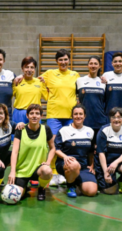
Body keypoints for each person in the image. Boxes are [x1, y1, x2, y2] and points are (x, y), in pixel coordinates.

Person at [41, 49, 81, 186]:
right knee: (53, 143)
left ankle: (64, 171)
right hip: (54, 115)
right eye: (60, 60)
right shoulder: (49, 73)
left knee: (67, 145)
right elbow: (37, 82)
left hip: (70, 116)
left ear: (69, 60)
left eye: (65, 59)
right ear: (56, 61)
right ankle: (53, 172)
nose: (63, 62)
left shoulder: (75, 75)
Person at [8, 104, 55, 201]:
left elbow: (53, 148)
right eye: (31, 113)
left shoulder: (46, 129)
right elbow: (15, 152)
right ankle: (24, 187)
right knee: (16, 196)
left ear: (41, 116)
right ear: (27, 116)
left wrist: (48, 162)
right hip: (22, 170)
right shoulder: (21, 130)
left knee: (47, 171)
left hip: (38, 169)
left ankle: (41, 188)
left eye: (37, 113)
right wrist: (12, 171)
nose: (34, 116)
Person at [55, 105, 97, 198]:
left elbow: (91, 151)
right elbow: (56, 149)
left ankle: (77, 180)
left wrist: (92, 165)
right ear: (72, 116)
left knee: (91, 191)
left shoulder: (90, 131)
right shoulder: (64, 130)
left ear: (85, 116)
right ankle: (71, 186)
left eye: (81, 114)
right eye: (76, 114)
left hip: (83, 165)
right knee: (74, 165)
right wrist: (65, 157)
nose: (78, 116)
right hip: (66, 163)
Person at [94, 107, 122, 195]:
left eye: (119, 117)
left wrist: (116, 162)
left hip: (119, 162)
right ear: (110, 119)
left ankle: (121, 180)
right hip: (106, 163)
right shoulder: (104, 131)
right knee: (110, 191)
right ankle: (100, 178)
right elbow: (101, 153)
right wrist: (105, 171)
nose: (116, 119)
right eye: (113, 117)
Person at [102, 52, 122, 127]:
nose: (118, 63)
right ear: (112, 63)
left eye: (120, 61)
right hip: (109, 117)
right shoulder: (106, 75)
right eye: (115, 61)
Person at [12, 57, 47, 124]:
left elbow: (47, 97)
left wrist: (45, 83)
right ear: (22, 69)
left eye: (32, 67)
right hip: (19, 113)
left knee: (35, 134)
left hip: (35, 114)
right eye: (26, 67)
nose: (29, 70)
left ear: (35, 69)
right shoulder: (16, 81)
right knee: (18, 134)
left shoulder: (40, 82)